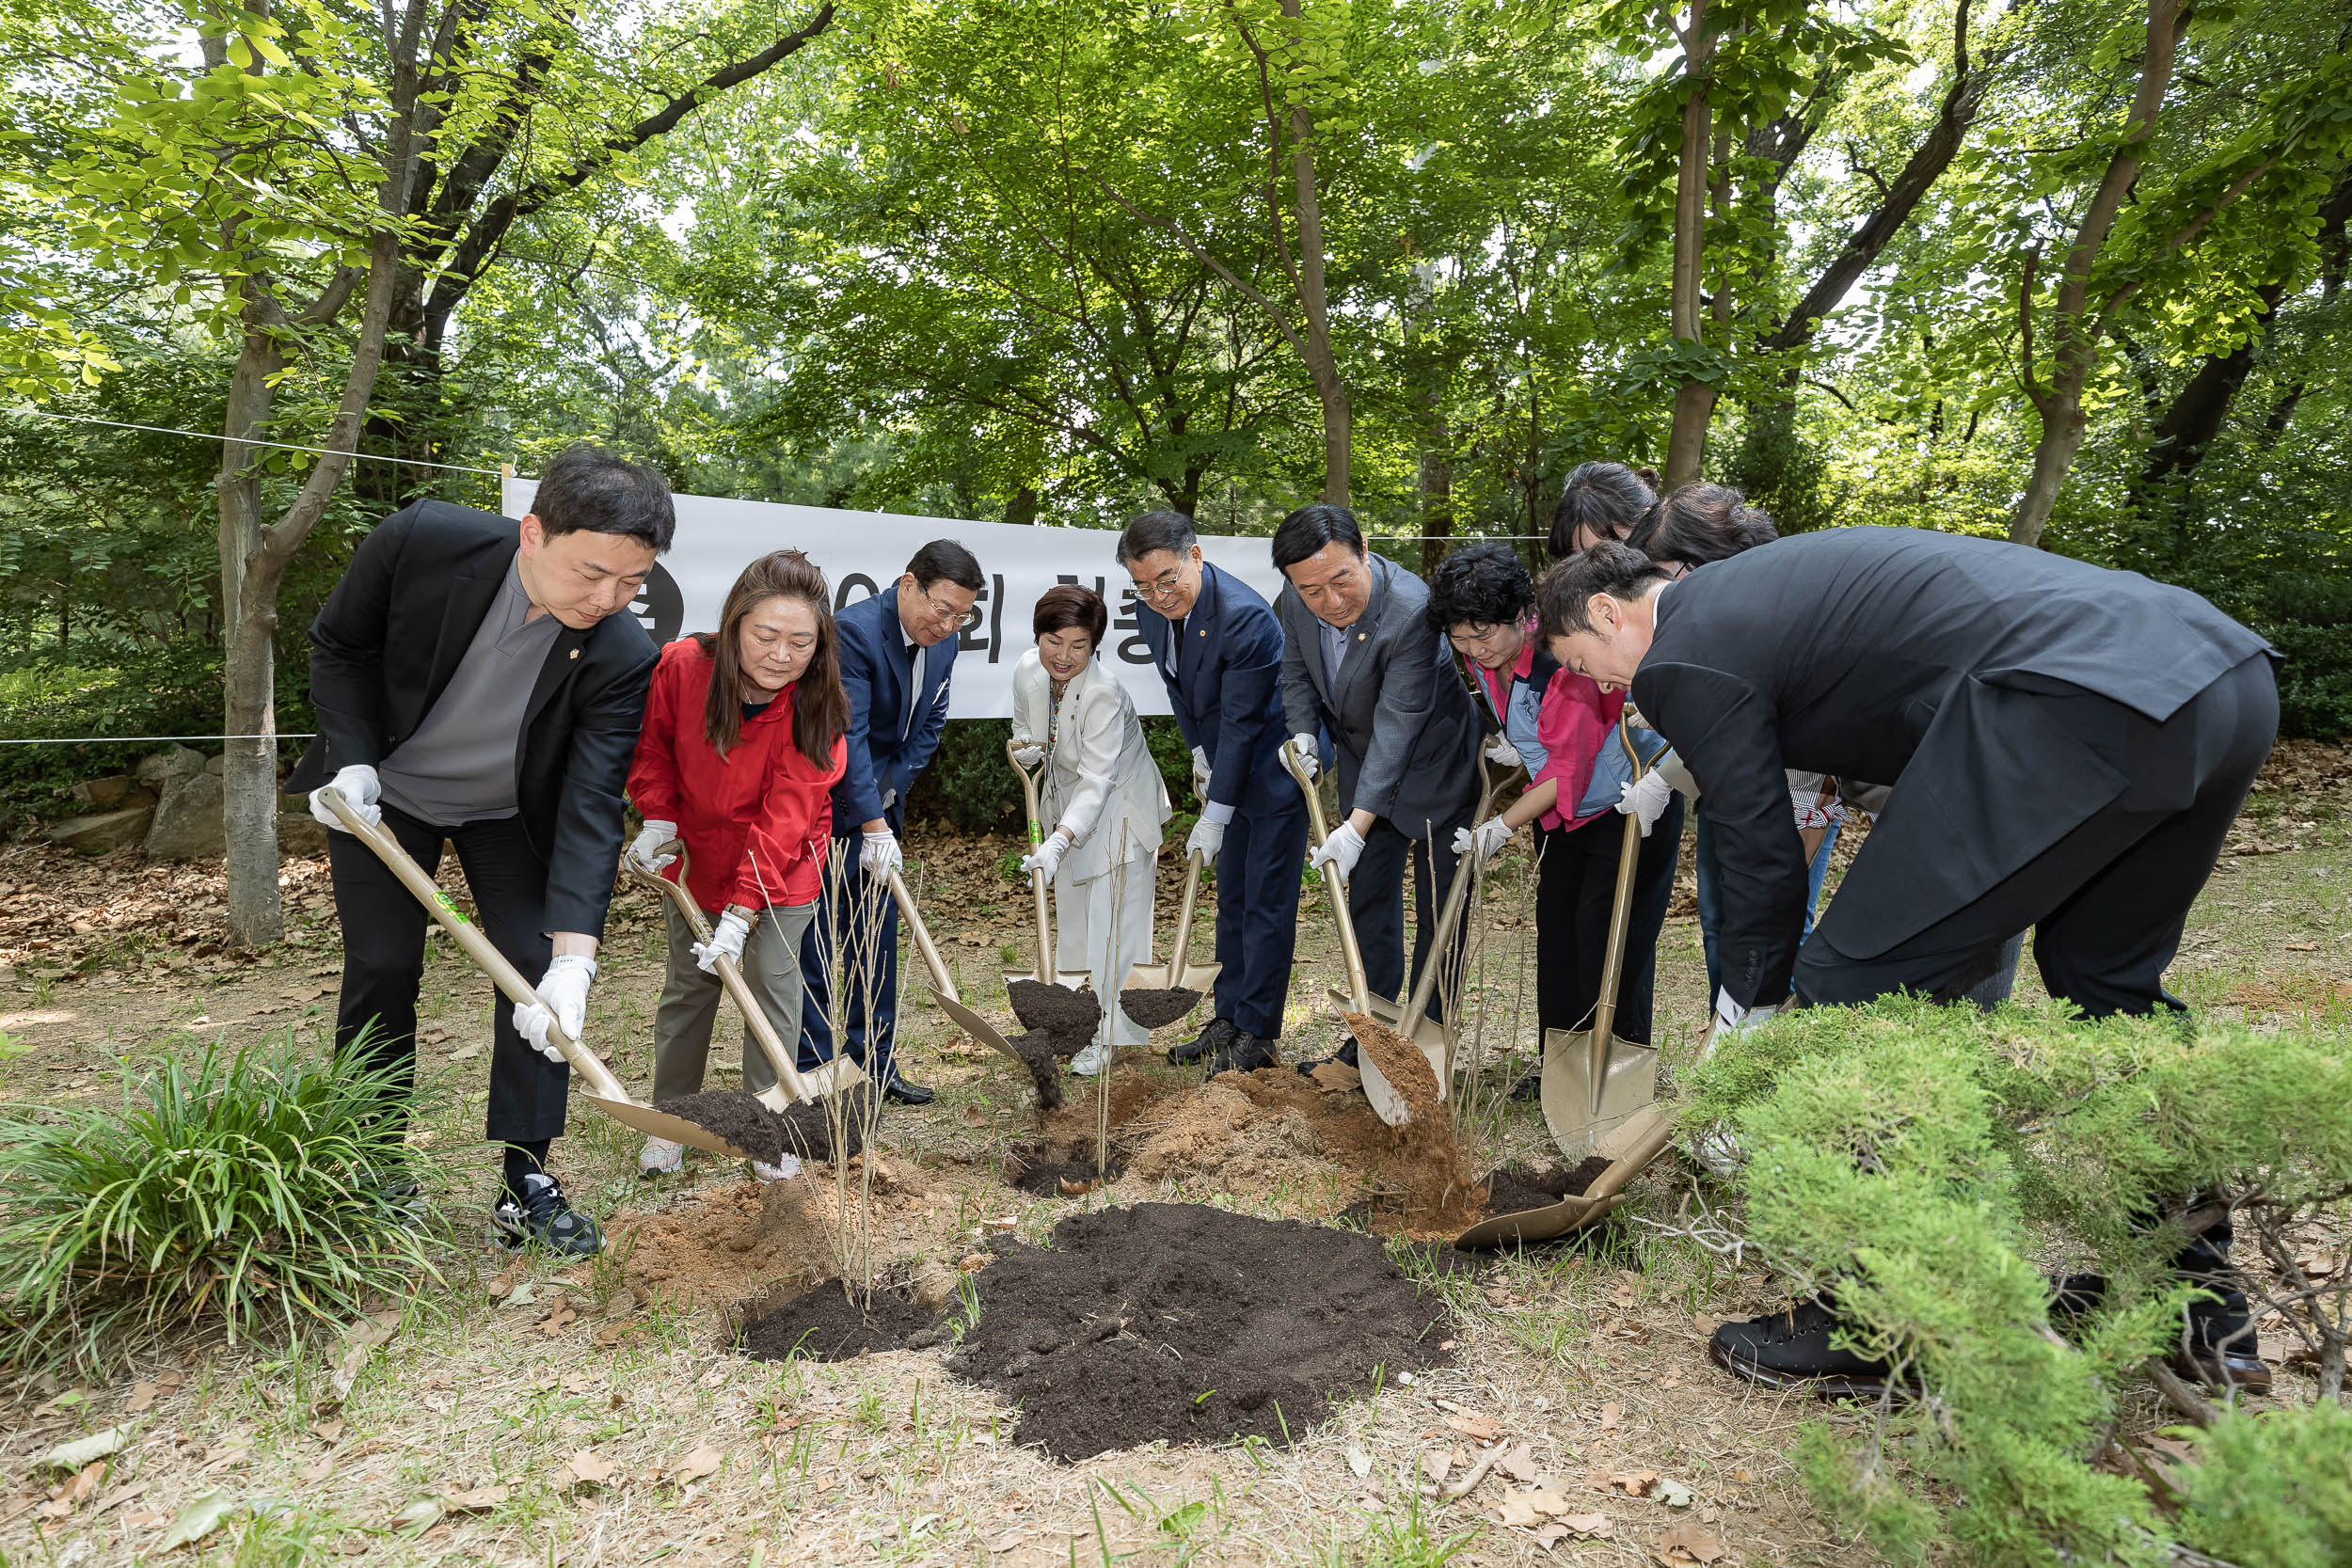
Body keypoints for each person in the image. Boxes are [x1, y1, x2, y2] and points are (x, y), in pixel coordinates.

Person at [1540, 530, 2280, 1393]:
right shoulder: (1756, 599)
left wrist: (1750, 1012)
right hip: (2219, 677)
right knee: (2106, 982)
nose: (1601, 685)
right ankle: (2200, 1309)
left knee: (1852, 986)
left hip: (2069, 701)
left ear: (1607, 611)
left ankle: (1881, 1320)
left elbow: (1758, 848)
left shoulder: (1682, 651)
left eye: (1586, 662)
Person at [292, 446, 674, 1257]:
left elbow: (589, 804)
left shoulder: (621, 655)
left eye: (631, 583)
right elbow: (339, 645)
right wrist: (353, 755)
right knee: (385, 964)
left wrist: (576, 960)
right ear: (532, 532)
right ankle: (370, 1164)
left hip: (506, 814)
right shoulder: (423, 541)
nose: (607, 599)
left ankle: (525, 1178)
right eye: (591, 573)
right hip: (382, 792)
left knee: (536, 974)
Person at [1428, 544, 1681, 1100]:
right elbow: (1535, 739)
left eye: (1484, 634)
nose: (1473, 649)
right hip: (1565, 821)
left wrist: (1500, 827)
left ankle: (1613, 1066)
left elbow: (1566, 772)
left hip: (1626, 805)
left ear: (1522, 618)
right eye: (1460, 637)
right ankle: (1559, 1067)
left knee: (1609, 938)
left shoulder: (1561, 667)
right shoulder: (1480, 656)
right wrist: (1518, 743)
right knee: (1560, 936)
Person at [625, 551, 849, 1179]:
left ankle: (765, 1129)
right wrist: (660, 816)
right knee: (688, 992)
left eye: (800, 642)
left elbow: (786, 818)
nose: (781, 654)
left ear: (819, 644)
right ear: (733, 625)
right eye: (766, 635)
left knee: (773, 993)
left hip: (784, 871)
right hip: (697, 858)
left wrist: (745, 908)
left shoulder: (818, 708)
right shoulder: (682, 668)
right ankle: (673, 1122)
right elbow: (655, 749)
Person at [1273, 504, 1482, 1067]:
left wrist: (1356, 824)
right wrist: (1304, 734)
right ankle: (1372, 1033)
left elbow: (1399, 722)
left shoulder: (1411, 611)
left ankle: (1423, 1040)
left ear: (1365, 549)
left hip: (1437, 765)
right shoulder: (1294, 600)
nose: (1331, 601)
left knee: (1442, 907)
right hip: (1364, 761)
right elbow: (1294, 670)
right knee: (1368, 901)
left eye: (1342, 579)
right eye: (1313, 591)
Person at [795, 540, 984, 1105]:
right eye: (941, 608)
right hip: (826, 810)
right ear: (908, 585)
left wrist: (887, 798)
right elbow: (843, 737)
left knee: (877, 939)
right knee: (818, 941)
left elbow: (927, 730)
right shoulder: (850, 633)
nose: (947, 624)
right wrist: (870, 821)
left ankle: (876, 1062)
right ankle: (817, 1070)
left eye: (961, 616)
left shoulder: (942, 646)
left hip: (882, 809)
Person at [1119, 510, 1307, 1074]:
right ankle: (1227, 1014)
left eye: (1168, 580)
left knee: (1265, 905)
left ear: (1195, 556)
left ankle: (1258, 1031)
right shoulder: (1152, 612)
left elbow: (1247, 722)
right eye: (1144, 585)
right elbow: (1182, 693)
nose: (1157, 595)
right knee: (1231, 899)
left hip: (1271, 777)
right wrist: (1198, 752)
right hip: (1224, 760)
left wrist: (1218, 811)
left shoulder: (1244, 618)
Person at [1010, 586, 1171, 1072]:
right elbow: (1027, 732)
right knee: (1076, 927)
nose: (1064, 656)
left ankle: (1109, 1035)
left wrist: (1059, 840)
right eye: (1053, 641)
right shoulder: (1026, 671)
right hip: (1066, 808)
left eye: (1078, 645)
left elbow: (1097, 780)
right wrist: (1028, 752)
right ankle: (1074, 1023)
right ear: (1038, 636)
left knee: (1113, 928)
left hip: (1121, 811)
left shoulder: (1103, 692)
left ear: (1095, 646)